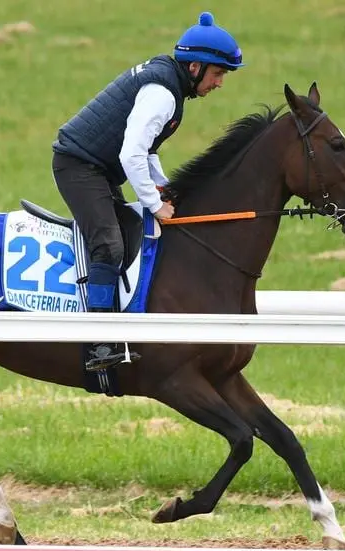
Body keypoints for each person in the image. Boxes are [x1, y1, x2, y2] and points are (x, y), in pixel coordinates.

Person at [51, 11, 244, 372]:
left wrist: (163, 188)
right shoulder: (162, 93)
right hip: (78, 167)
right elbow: (131, 153)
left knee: (129, 236)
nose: (219, 83)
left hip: (98, 168)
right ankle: (98, 343)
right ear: (195, 68)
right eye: (218, 74)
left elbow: (146, 151)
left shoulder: (169, 82)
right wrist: (155, 204)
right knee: (108, 244)